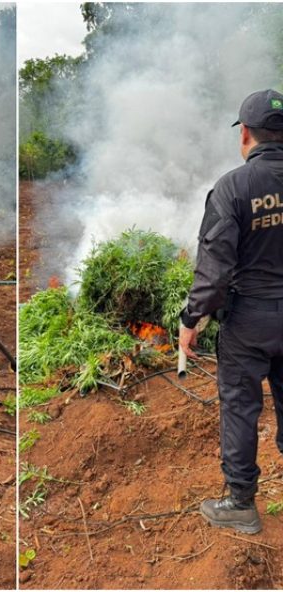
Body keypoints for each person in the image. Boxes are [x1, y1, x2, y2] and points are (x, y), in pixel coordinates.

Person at [180, 89, 283, 535]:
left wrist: (191, 319)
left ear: (245, 134)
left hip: (250, 322)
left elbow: (214, 271)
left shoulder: (233, 187)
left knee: (241, 406)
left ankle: (241, 503)